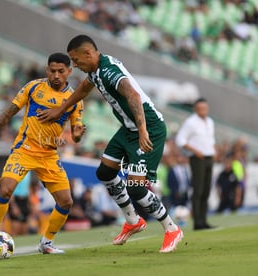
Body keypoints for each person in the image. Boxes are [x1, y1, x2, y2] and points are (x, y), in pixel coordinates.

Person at [38, 35, 183, 253]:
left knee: (135, 186)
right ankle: (133, 221)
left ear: (88, 53)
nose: (74, 65)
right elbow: (84, 89)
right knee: (105, 172)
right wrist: (60, 109)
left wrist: (142, 130)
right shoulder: (95, 71)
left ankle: (172, 228)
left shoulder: (108, 71)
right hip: (128, 129)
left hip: (149, 128)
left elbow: (132, 94)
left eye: (75, 60)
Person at [0, 52, 86, 254]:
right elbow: (10, 111)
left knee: (66, 201)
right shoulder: (33, 87)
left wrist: (77, 135)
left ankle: (46, 242)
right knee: (6, 189)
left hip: (49, 155)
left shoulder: (74, 99)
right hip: (25, 149)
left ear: (69, 71)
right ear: (47, 70)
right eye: (52, 71)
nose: (56, 75)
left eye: (61, 71)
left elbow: (76, 134)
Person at [175, 97, 216, 230]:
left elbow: (210, 139)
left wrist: (213, 150)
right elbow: (180, 139)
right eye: (200, 108)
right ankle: (197, 222)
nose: (203, 111)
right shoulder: (190, 122)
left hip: (209, 157)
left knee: (206, 190)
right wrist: (194, 151)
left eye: (205, 108)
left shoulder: (209, 121)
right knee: (198, 190)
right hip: (197, 158)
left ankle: (203, 220)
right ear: (195, 109)